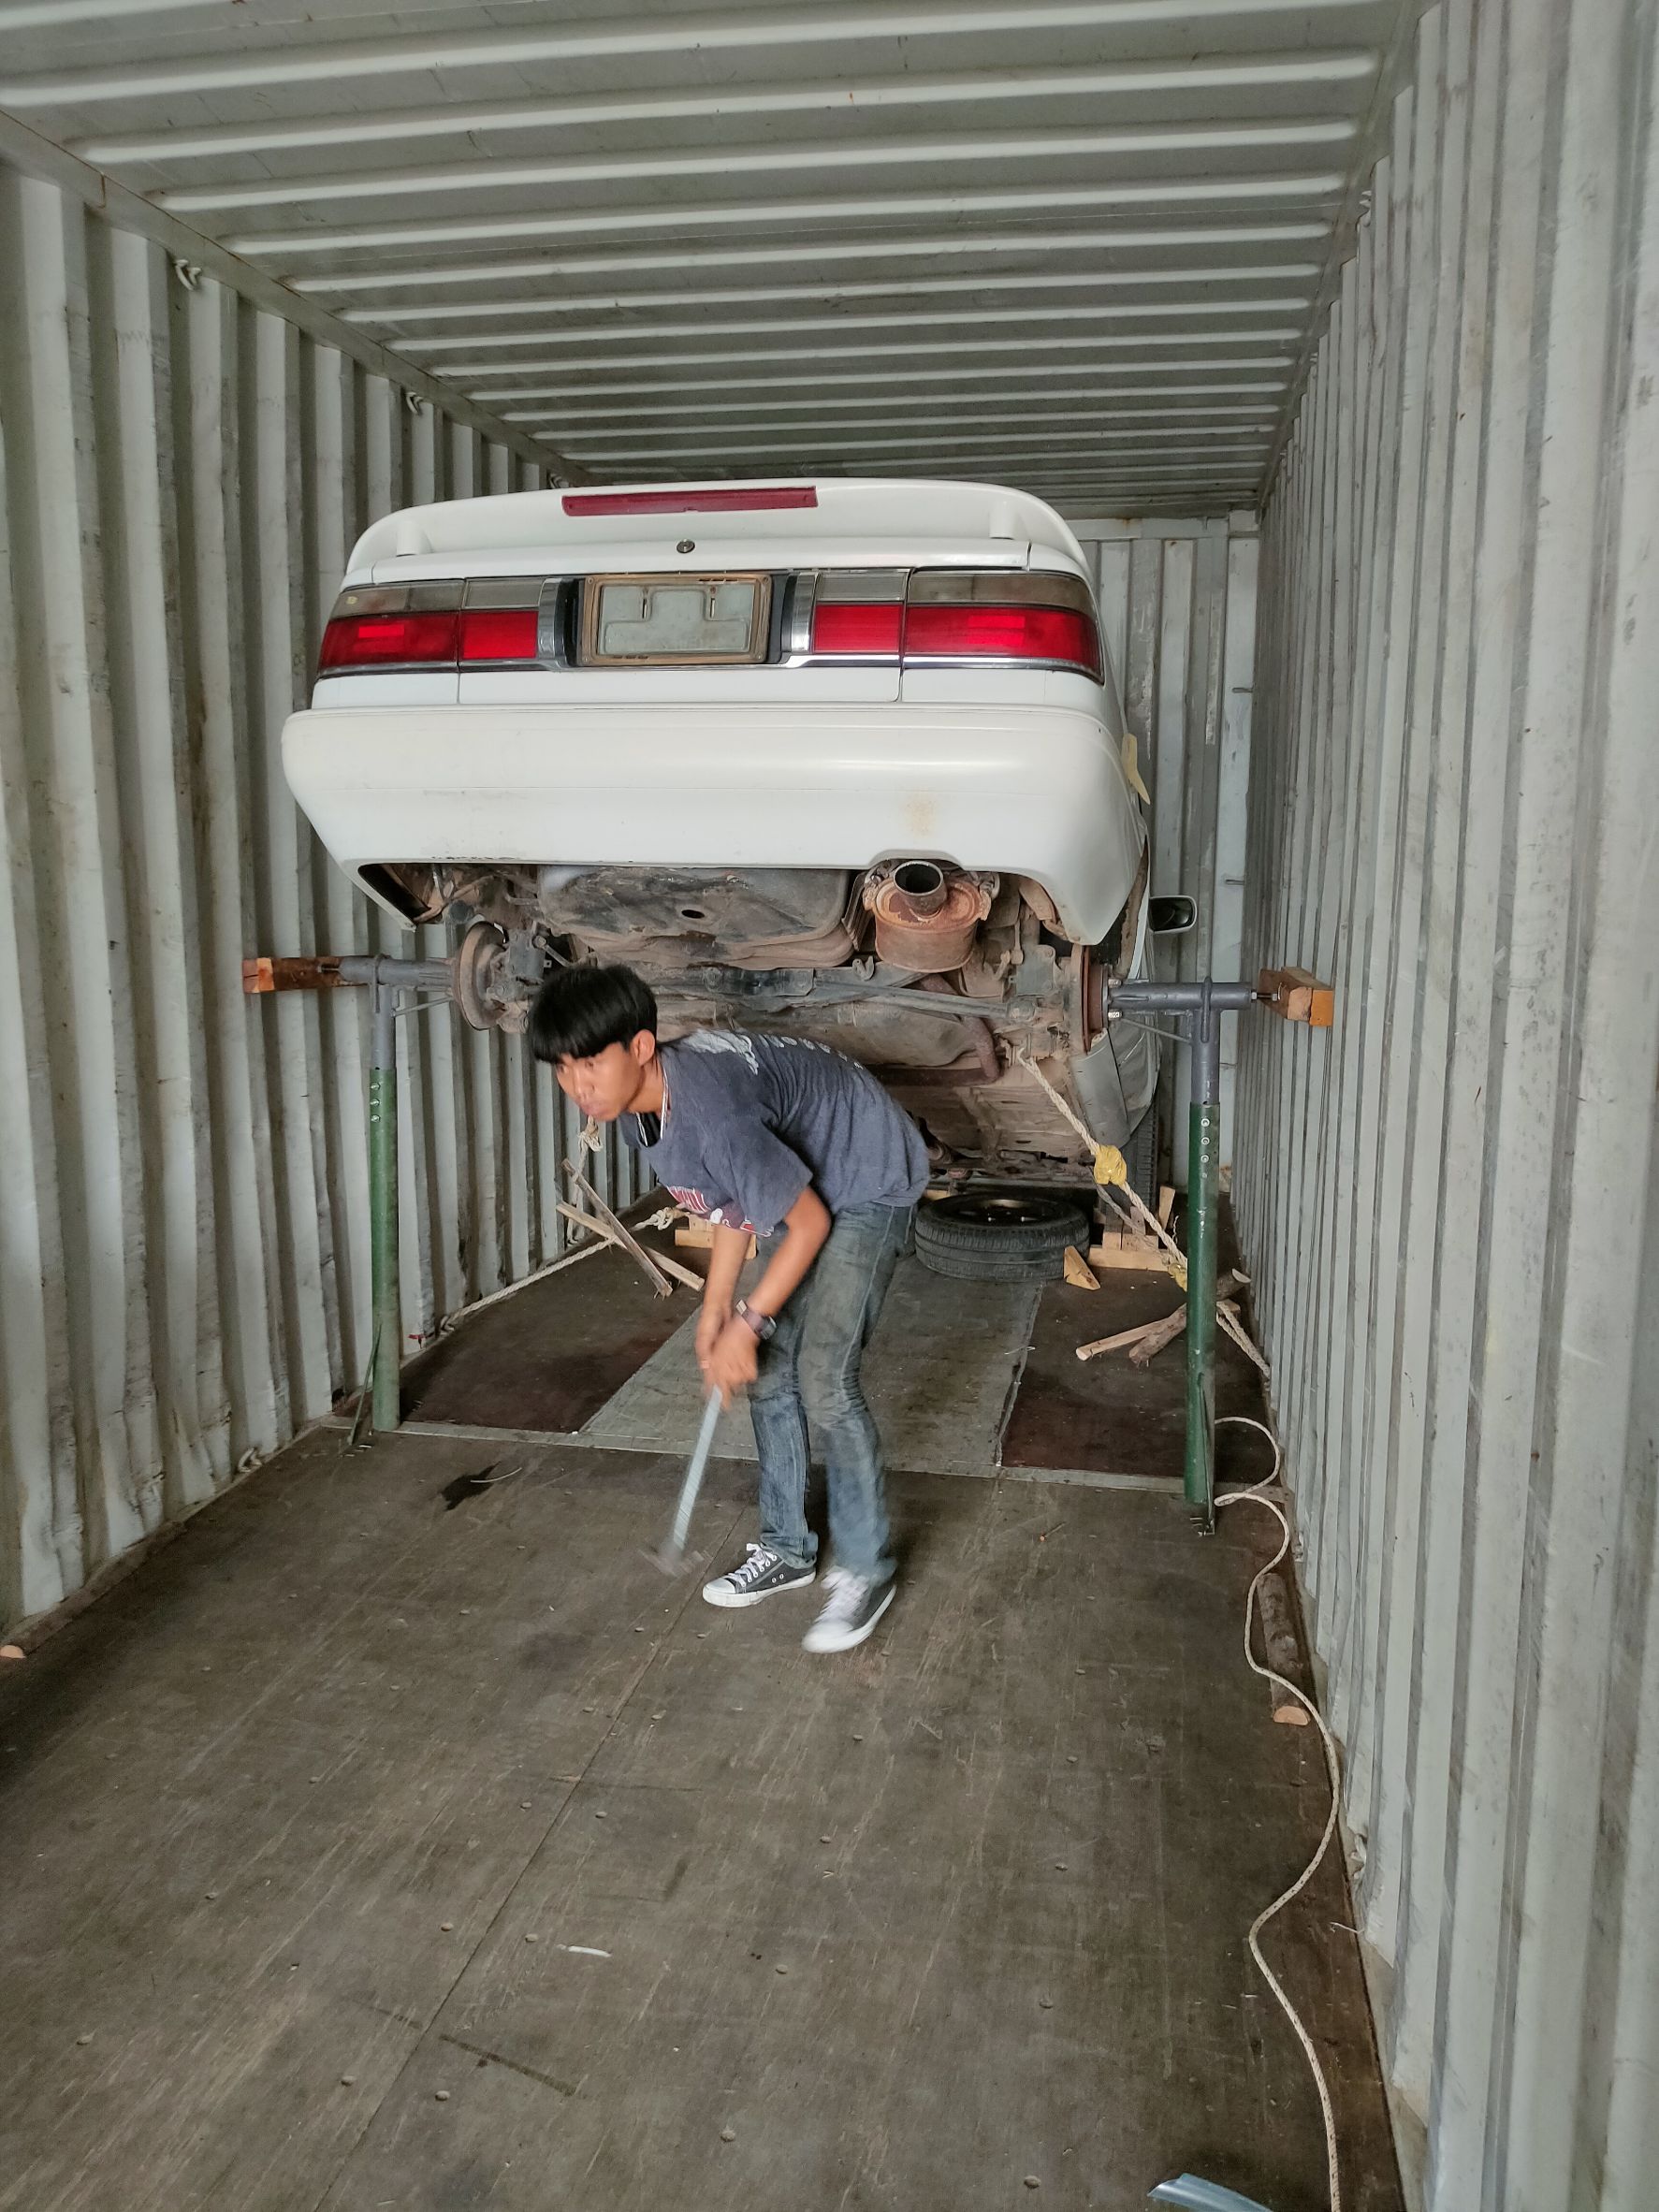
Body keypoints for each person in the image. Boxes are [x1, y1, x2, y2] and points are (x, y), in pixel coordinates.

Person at [529, 964, 928, 1653]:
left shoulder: (712, 1112)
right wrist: (716, 1313)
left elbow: (806, 1223)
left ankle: (866, 1570)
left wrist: (748, 1321)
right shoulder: (639, 1112)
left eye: (589, 1063)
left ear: (641, 1047)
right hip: (811, 1179)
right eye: (562, 1069)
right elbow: (734, 1204)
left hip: (867, 1175)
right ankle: (787, 1549)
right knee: (767, 1368)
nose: (576, 1086)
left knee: (824, 1379)